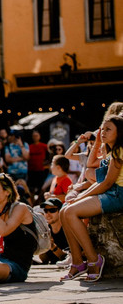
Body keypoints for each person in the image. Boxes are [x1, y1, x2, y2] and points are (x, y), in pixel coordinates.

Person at [59, 116, 123, 282]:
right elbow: (97, 176)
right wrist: (80, 196)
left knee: (71, 211)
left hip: (118, 194)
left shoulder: (119, 150)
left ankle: (94, 259)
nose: (103, 133)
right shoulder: (108, 151)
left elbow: (108, 183)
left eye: (108, 129)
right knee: (64, 210)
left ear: (119, 132)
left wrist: (83, 196)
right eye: (102, 129)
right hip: (109, 192)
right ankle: (77, 262)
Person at [38, 198, 68, 265]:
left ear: (60, 211)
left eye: (52, 210)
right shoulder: (45, 230)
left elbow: (68, 259)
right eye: (46, 211)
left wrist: (52, 247)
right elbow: (45, 259)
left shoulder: (68, 230)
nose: (48, 214)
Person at [27, 131, 49, 198]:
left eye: (36, 135)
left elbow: (50, 154)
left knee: (41, 188)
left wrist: (46, 163)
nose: (35, 137)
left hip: (41, 170)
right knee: (31, 189)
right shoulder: (29, 146)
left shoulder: (44, 146)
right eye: (34, 136)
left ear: (39, 136)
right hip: (31, 170)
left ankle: (40, 201)